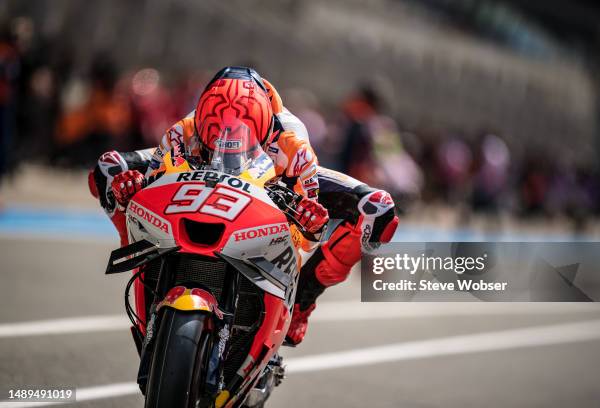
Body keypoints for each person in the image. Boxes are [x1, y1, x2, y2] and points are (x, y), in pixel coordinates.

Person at [88, 66, 398, 345]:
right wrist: (133, 191)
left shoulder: (293, 146)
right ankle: (140, 255)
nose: (225, 133)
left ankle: (303, 302)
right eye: (213, 126)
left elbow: (305, 237)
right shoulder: (184, 131)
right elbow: (155, 190)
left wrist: (308, 220)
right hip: (204, 184)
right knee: (107, 168)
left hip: (278, 179)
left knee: (378, 209)